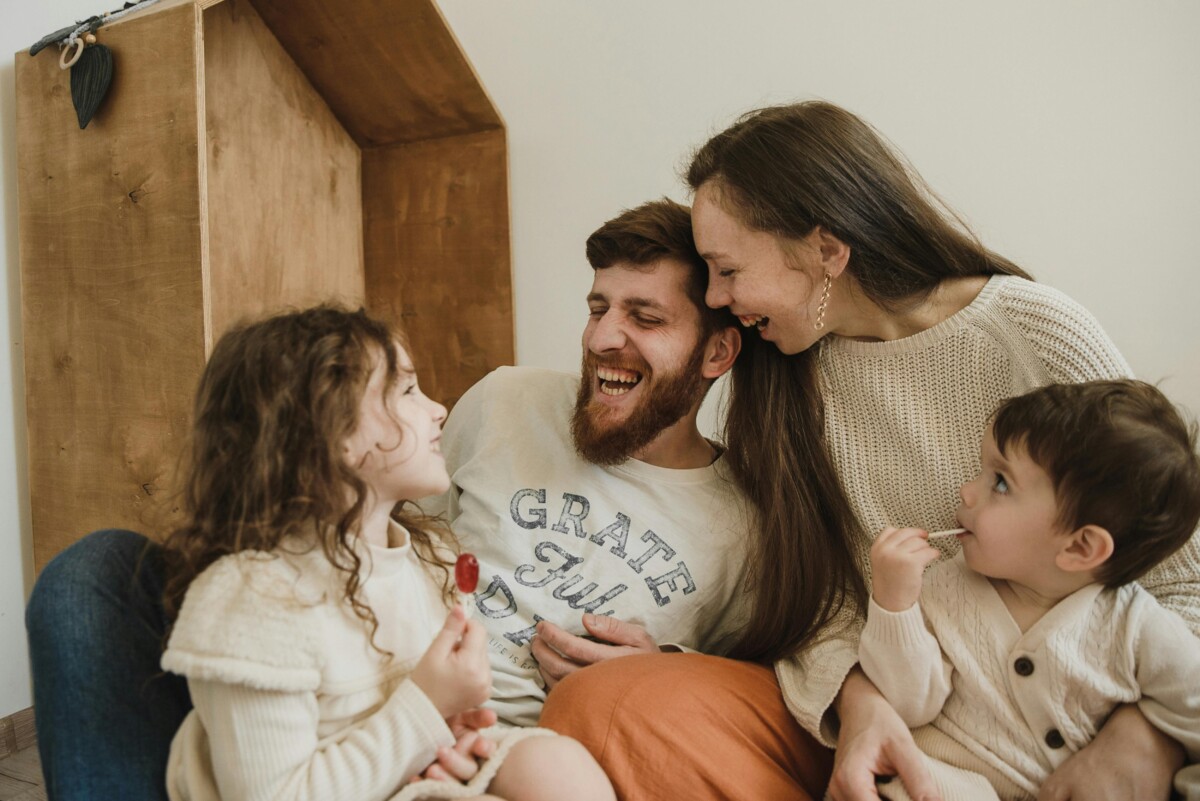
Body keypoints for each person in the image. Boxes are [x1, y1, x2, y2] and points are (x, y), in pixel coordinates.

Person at [27, 201, 833, 800]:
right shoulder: (509, 399)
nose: (599, 339)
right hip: (342, 676)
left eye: (643, 317)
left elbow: (766, 687)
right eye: (597, 308)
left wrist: (660, 673)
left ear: (717, 351)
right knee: (93, 574)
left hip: (489, 747)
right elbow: (381, 528)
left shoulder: (745, 525)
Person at [541, 100, 1200, 801]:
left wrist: (1142, 742)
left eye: (726, 269)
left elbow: (1181, 577)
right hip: (884, 699)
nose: (715, 296)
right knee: (609, 704)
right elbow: (812, 593)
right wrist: (861, 703)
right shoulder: (780, 375)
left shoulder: (1033, 332)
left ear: (827, 252)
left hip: (1055, 727)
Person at [154, 304, 613, 801]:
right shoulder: (252, 597)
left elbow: (416, 727)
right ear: (335, 435)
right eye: (407, 391)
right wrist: (426, 708)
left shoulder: (427, 561)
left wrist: (453, 731)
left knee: (557, 766)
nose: (438, 410)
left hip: (407, 777)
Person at [859, 380, 1200, 800]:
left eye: (1000, 483)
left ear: (1079, 547)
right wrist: (894, 606)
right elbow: (908, 704)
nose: (967, 490)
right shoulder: (943, 588)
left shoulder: (1139, 629)